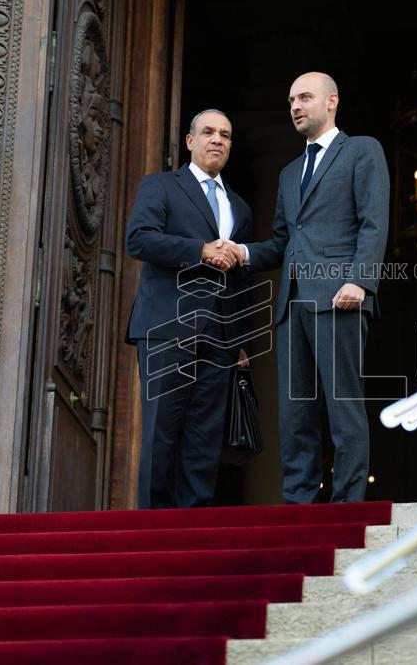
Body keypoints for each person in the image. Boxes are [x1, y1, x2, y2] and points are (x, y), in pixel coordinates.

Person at [222, 72, 389, 503]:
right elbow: (283, 242)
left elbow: (374, 221)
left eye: (305, 97)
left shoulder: (361, 151)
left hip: (340, 297)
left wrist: (360, 281)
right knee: (294, 413)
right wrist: (242, 252)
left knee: (342, 405)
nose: (295, 106)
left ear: (332, 101)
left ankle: (348, 504)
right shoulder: (289, 172)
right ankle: (298, 503)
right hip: (292, 304)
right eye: (291, 99)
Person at [124, 109, 254, 509]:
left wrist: (241, 342)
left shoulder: (241, 208)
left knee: (205, 439)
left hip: (220, 336)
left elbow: (241, 280)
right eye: (209, 132)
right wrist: (198, 250)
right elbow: (139, 240)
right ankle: (151, 533)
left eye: (226, 135)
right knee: (162, 431)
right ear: (190, 141)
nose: (218, 139)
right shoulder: (161, 186)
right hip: (168, 327)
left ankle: (192, 527)